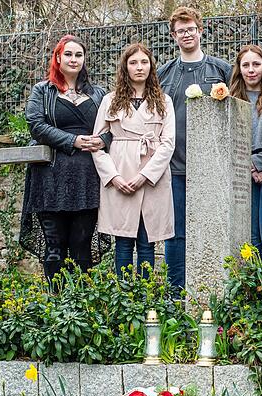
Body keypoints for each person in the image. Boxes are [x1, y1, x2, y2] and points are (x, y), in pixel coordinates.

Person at [20, 34, 111, 281]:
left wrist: (103, 140)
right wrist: (73, 141)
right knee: (54, 247)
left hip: (87, 177)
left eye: (78, 55)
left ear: (84, 59)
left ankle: (82, 308)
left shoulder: (99, 94)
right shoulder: (42, 90)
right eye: (68, 54)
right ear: (58, 57)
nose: (74, 59)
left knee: (81, 246)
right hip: (50, 177)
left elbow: (114, 129)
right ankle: (57, 307)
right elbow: (36, 125)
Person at [157, 6, 232, 291]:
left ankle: (213, 291)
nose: (186, 34)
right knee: (175, 234)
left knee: (212, 230)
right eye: (180, 31)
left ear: (201, 30)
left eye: (191, 29)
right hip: (174, 166)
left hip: (212, 168)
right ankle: (176, 293)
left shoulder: (221, 69)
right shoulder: (164, 74)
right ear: (173, 36)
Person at [92, 43, 175, 277]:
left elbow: (168, 143)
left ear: (151, 66)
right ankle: (124, 299)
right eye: (133, 62)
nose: (139, 67)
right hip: (120, 172)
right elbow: (97, 144)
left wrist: (145, 176)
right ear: (125, 68)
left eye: (144, 62)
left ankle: (145, 299)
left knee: (147, 241)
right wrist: (113, 177)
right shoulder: (110, 100)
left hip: (152, 178)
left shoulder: (164, 101)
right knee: (123, 241)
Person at [229, 45, 262, 260]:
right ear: (239, 69)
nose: (252, 70)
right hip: (240, 173)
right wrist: (248, 166)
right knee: (251, 239)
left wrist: (258, 162)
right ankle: (256, 289)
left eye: (256, 64)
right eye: (246, 65)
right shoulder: (230, 98)